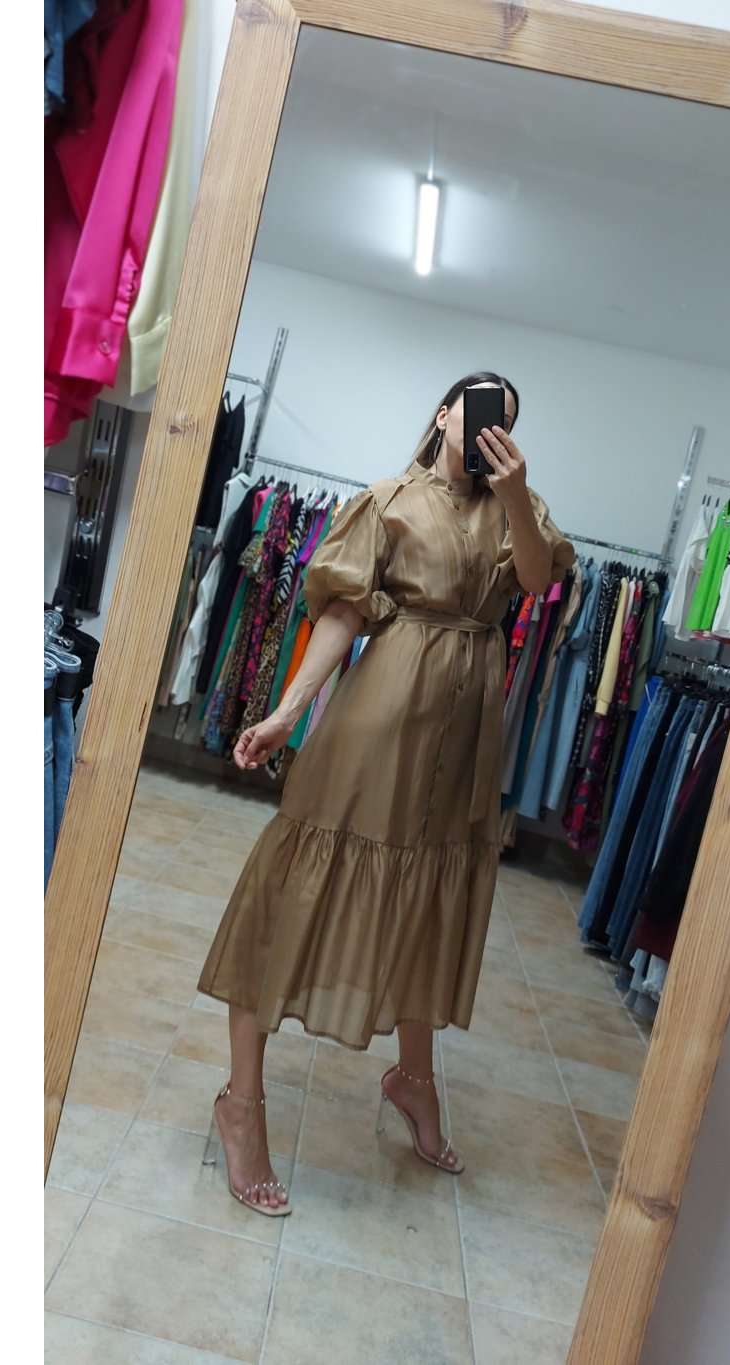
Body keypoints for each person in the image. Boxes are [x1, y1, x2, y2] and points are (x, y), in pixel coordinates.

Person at [196, 371, 575, 1215]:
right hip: (381, 723)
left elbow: (536, 579)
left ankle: (413, 1079)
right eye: (479, 409)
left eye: (507, 420)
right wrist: (288, 711)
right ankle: (242, 1103)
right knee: (295, 900)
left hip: (466, 739)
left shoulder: (520, 508)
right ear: (443, 414)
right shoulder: (388, 502)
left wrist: (515, 494)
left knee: (426, 907)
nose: (491, 426)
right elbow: (340, 615)